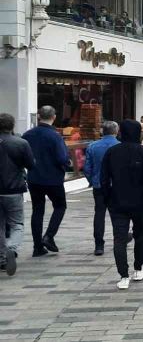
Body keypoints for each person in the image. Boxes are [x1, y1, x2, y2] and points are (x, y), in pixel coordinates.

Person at [100, 120, 143, 290]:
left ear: (121, 132)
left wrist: (106, 199)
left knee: (119, 239)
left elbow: (104, 179)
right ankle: (138, 268)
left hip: (117, 201)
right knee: (140, 234)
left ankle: (123, 276)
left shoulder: (112, 152)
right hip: (140, 201)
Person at [22, 106, 70, 257]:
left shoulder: (27, 135)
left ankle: (37, 247)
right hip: (53, 178)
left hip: (34, 177)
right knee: (60, 206)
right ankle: (49, 235)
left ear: (38, 116)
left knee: (37, 210)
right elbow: (62, 158)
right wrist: (67, 164)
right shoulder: (55, 136)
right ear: (54, 117)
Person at [0, 113, 35, 276]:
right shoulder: (21, 143)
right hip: (14, 190)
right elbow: (31, 164)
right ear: (12, 125)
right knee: (17, 224)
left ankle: (1, 257)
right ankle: (11, 248)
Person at [83, 120, 120, 255]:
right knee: (117, 214)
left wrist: (92, 180)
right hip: (115, 186)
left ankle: (99, 244)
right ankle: (120, 239)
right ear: (116, 131)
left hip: (99, 185)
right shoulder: (120, 146)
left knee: (99, 214)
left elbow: (87, 168)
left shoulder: (93, 146)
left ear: (102, 131)